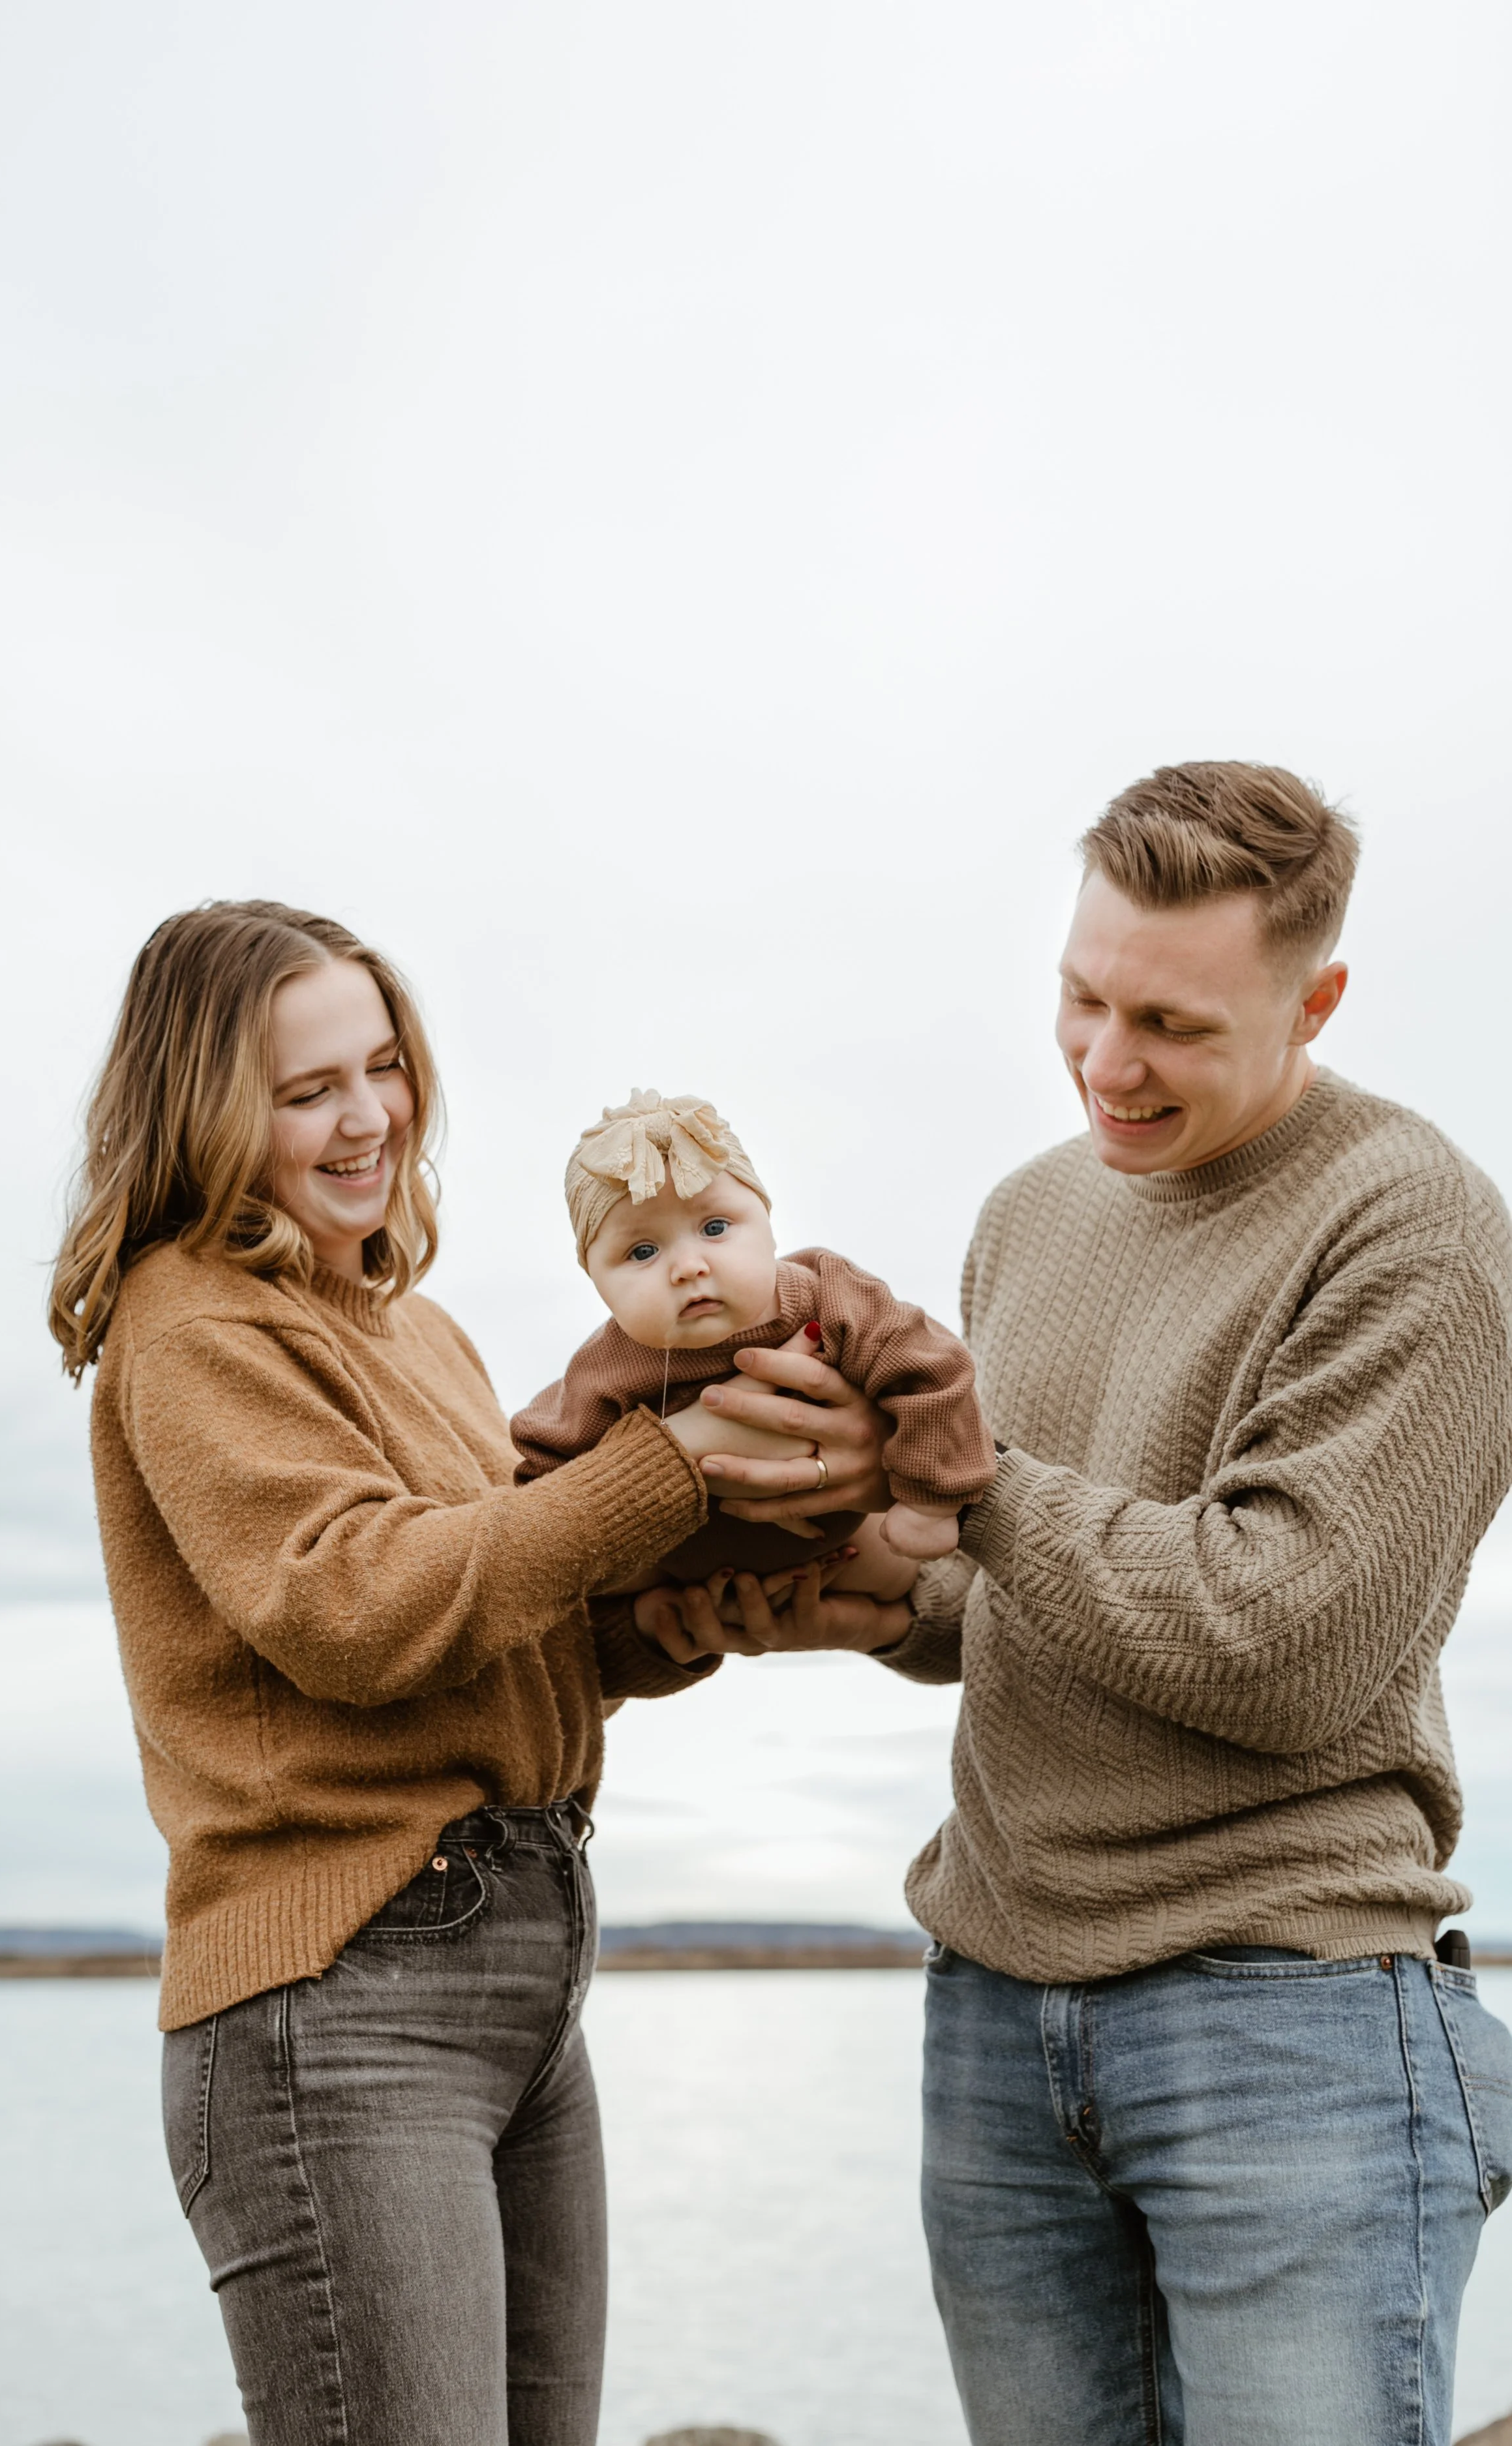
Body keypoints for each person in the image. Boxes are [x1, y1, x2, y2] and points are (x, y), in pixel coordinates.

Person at [640, 762, 1512, 2446]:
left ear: (1312, 997)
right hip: (993, 2009)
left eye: (1173, 1025)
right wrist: (820, 1582)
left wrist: (973, 1483)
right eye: (1080, 996)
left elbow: (1285, 1642)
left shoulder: (1418, 1230)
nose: (1106, 1063)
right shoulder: (1025, 1214)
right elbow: (1003, 1593)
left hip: (1291, 2018)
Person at [46, 898, 891, 2446]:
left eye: (383, 1064)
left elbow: (505, 1630)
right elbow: (357, 1607)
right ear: (204, 1106)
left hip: (523, 1961)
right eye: (309, 1089)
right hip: (342, 1993)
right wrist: (674, 1460)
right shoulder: (191, 1319)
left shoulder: (419, 1331)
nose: (369, 1116)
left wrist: (704, 1622)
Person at [510, 1086, 996, 1571]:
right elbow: (544, 1485)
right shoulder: (605, 1368)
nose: (688, 1267)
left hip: (845, 1558)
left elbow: (933, 1372)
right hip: (681, 1582)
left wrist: (930, 1498)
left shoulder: (830, 1298)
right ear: (595, 1280)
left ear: (767, 1222)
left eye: (716, 1228)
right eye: (642, 1252)